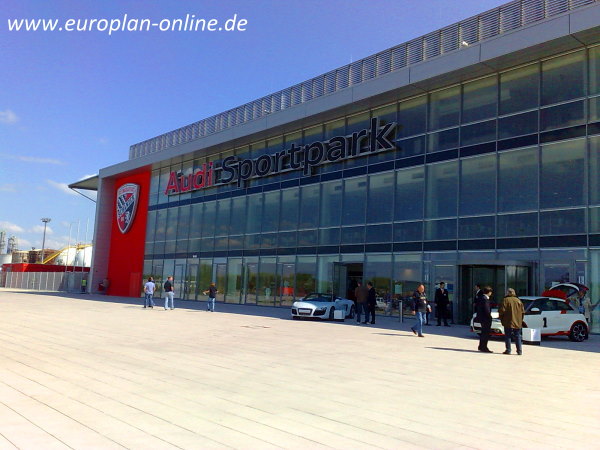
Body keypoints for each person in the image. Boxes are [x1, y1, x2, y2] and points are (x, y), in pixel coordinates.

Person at [498, 288, 524, 355]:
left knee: (508, 336)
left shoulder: (505, 300)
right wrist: (520, 320)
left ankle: (508, 350)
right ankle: (519, 350)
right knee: (517, 336)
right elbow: (523, 312)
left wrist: (501, 318)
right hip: (518, 321)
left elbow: (502, 311)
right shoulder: (518, 300)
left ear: (508, 293)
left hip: (508, 321)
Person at [475, 286, 493, 353]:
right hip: (486, 318)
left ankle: (481, 346)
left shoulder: (480, 298)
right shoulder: (485, 299)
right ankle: (484, 347)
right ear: (489, 292)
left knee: (483, 333)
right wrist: (490, 317)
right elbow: (486, 310)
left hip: (481, 318)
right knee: (486, 333)